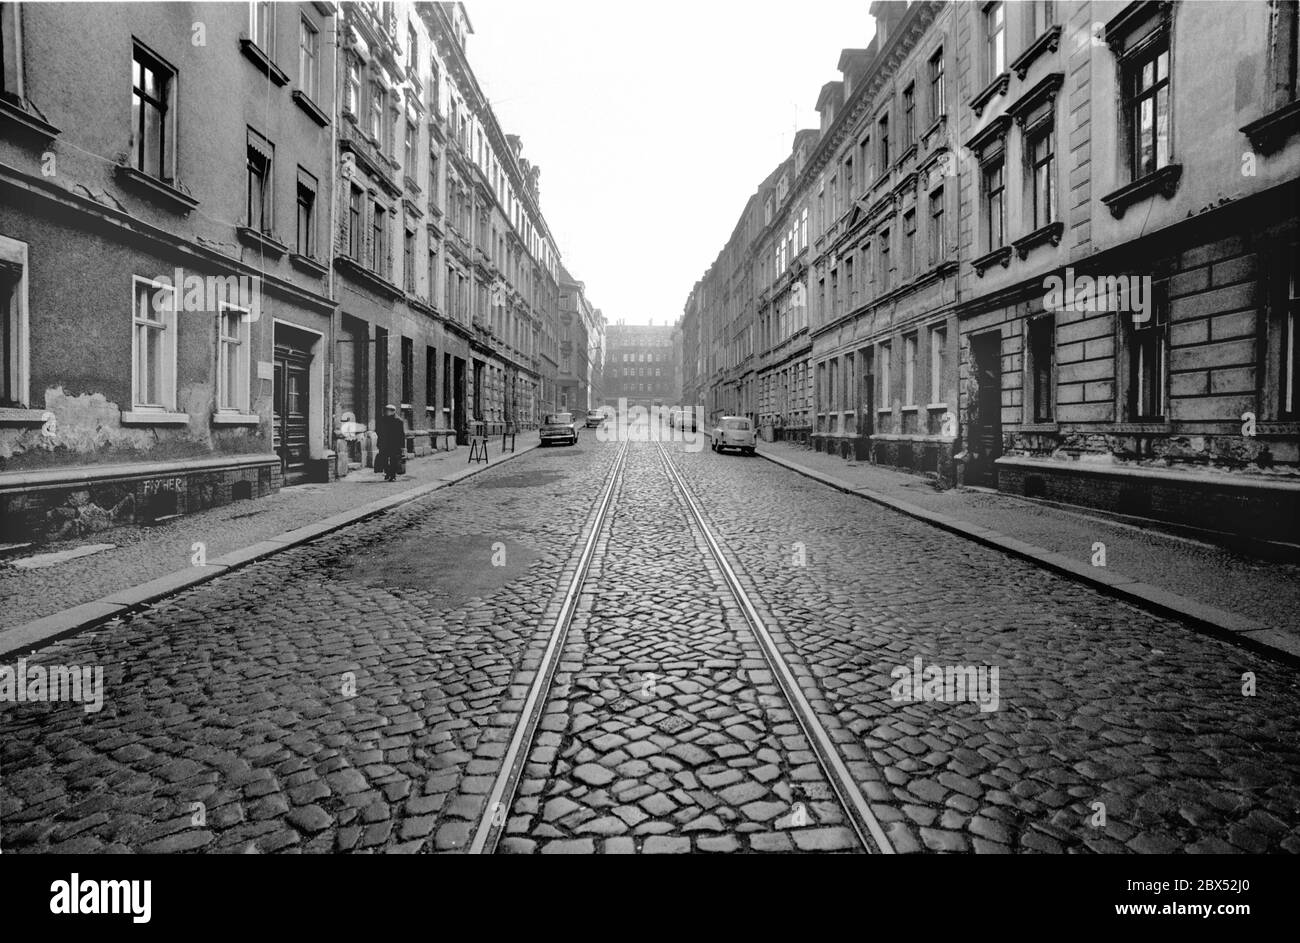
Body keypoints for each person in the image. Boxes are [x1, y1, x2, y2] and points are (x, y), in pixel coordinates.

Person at [375, 404, 405, 482]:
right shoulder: (382, 419)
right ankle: (387, 472)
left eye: (387, 410)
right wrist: (379, 441)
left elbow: (401, 434)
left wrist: (402, 446)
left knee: (393, 460)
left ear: (393, 411)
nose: (386, 412)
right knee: (384, 459)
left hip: (394, 444)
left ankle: (393, 475)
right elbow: (378, 430)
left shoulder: (398, 420)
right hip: (384, 443)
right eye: (385, 410)